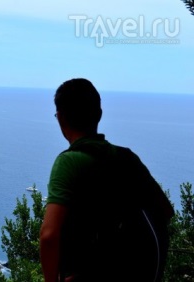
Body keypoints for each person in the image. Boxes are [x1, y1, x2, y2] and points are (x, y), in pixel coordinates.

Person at [40, 78, 174, 282]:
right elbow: (166, 211)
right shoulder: (127, 158)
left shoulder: (68, 162)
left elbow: (49, 235)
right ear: (99, 115)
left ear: (60, 117)